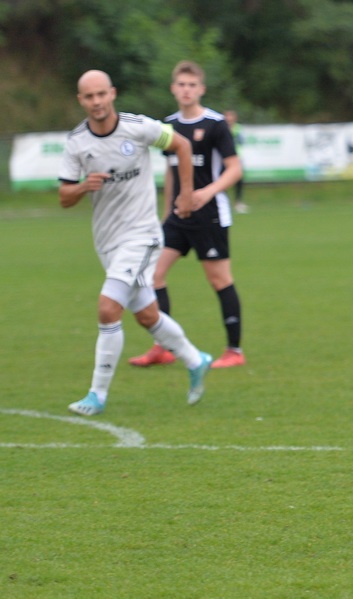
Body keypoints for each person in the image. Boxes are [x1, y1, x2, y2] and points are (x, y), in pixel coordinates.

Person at [59, 70, 213, 416]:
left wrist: (187, 195)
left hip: (142, 236)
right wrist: (84, 186)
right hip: (107, 241)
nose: (97, 102)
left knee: (107, 307)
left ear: (112, 93)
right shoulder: (77, 143)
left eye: (102, 94)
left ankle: (96, 395)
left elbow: (182, 145)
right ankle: (195, 359)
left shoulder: (138, 127)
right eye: (89, 97)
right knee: (146, 315)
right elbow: (64, 196)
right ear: (80, 100)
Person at [129, 61, 246, 370]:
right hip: (178, 218)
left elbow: (235, 169)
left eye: (192, 85)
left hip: (210, 215)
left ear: (201, 89)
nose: (186, 90)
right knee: (153, 275)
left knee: (219, 280)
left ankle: (234, 350)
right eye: (181, 84)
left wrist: (206, 193)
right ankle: (162, 346)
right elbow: (171, 172)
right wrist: (166, 213)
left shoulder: (216, 124)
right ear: (173, 88)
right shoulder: (168, 126)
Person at [224, 109, 249, 214]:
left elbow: (242, 141)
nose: (229, 119)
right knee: (223, 181)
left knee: (239, 181)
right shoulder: (221, 128)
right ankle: (224, 203)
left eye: (231, 117)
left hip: (236, 158)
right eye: (227, 117)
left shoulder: (238, 129)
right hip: (224, 158)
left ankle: (238, 202)